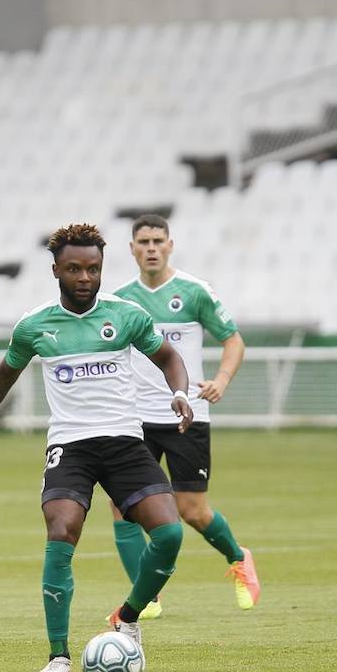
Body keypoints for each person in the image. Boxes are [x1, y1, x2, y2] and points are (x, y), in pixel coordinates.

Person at [0, 222, 194, 672]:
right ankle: (58, 655)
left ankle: (128, 616)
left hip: (124, 441)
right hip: (70, 445)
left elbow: (170, 358)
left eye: (92, 269)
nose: (84, 278)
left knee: (170, 535)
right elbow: (2, 378)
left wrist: (180, 394)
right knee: (62, 530)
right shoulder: (35, 326)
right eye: (73, 269)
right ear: (56, 269)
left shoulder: (126, 315)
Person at [110, 215, 261, 617]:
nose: (152, 247)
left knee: (191, 510)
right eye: (143, 241)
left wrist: (222, 380)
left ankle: (238, 557)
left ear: (170, 245)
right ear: (132, 249)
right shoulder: (119, 300)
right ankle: (146, 599)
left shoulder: (194, 293)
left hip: (186, 414)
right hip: (133, 418)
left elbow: (234, 340)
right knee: (121, 505)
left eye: (158, 240)